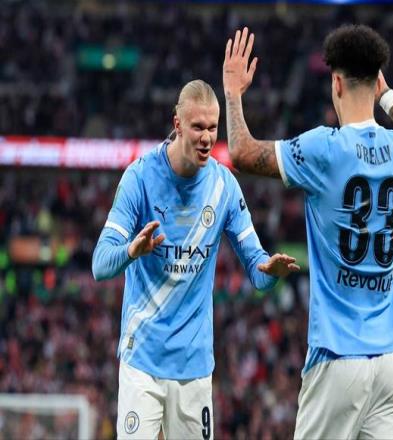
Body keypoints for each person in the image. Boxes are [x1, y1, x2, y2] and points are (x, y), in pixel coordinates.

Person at [223, 25, 393, 439]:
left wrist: (233, 93)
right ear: (376, 82)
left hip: (338, 356)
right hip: (392, 362)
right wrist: (389, 99)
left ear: (336, 83)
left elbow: (241, 152)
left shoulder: (324, 148)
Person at [92, 79, 299, 439]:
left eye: (212, 128)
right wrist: (130, 251)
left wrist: (270, 270)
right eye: (198, 127)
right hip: (142, 360)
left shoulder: (223, 186)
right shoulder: (139, 178)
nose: (206, 137)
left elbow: (258, 270)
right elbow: (99, 264)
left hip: (194, 366)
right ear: (177, 124)